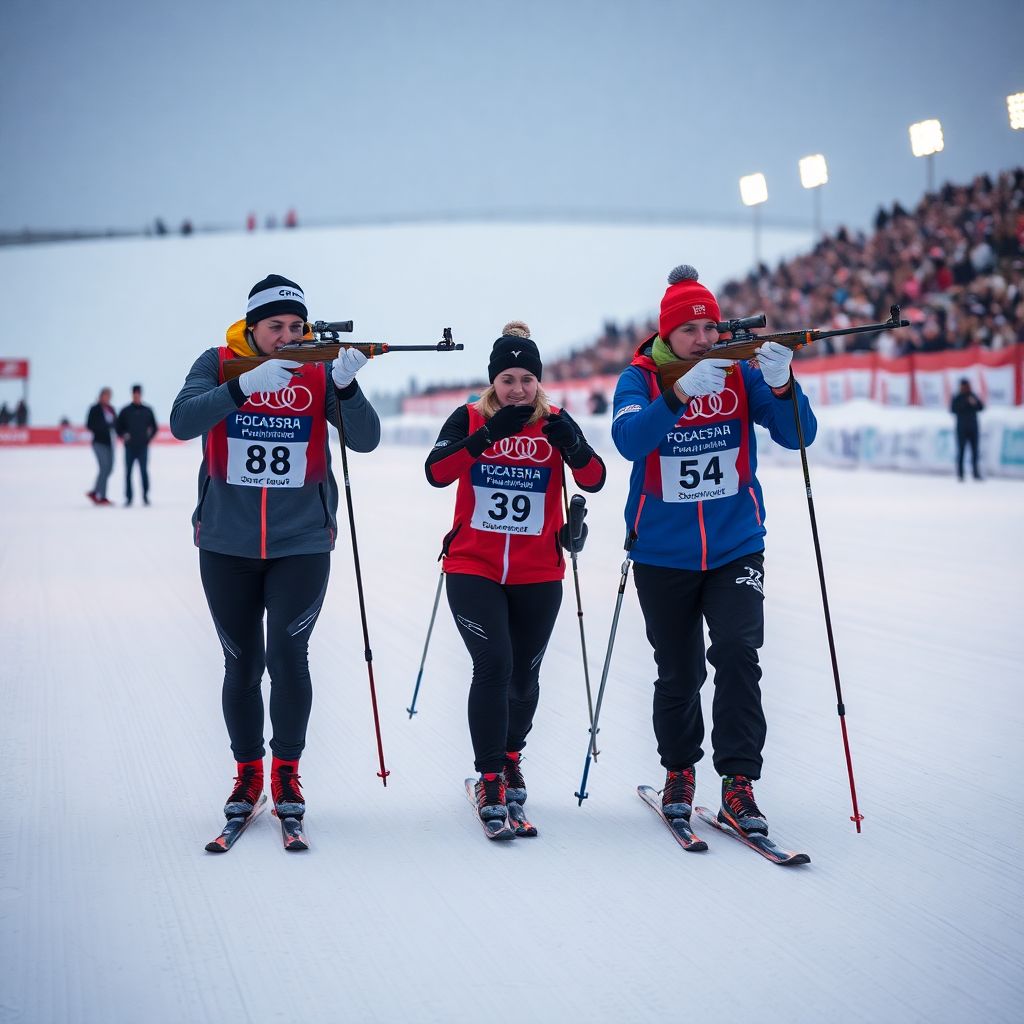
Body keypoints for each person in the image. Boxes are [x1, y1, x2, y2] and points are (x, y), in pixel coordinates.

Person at [611, 265, 817, 837]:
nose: (704, 338)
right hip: (661, 552)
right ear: (667, 336)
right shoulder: (641, 379)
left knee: (737, 654)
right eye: (690, 330)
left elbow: (799, 434)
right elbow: (630, 440)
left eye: (710, 326)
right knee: (678, 671)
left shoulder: (738, 373)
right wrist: (677, 394)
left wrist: (780, 385)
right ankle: (680, 771)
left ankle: (738, 785)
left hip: (735, 545)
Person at [170, 274, 380, 831]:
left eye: (295, 326)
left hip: (301, 545)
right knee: (242, 660)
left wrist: (347, 388)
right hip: (226, 544)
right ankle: (248, 771)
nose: (287, 336)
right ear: (252, 327)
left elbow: (366, 440)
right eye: (275, 326)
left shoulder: (317, 370)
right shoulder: (217, 364)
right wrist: (244, 387)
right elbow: (182, 421)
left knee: (288, 656)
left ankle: (286, 768)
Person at [425, 321, 606, 831]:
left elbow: (594, 479)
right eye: (508, 379)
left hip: (537, 571)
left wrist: (571, 440)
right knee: (495, 663)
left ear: (538, 382)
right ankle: (489, 777)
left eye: (527, 378)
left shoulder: (554, 421)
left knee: (525, 677)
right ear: (492, 383)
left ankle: (510, 760)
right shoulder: (468, 418)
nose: (518, 389)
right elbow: (436, 472)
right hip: (472, 565)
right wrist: (485, 438)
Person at [116, 385, 158, 505]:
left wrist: (148, 438)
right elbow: (118, 427)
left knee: (144, 472)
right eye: (135, 394)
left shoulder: (147, 410)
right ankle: (129, 498)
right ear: (132, 394)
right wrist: (124, 435)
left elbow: (154, 427)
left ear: (141, 394)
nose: (136, 396)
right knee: (128, 472)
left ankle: (145, 496)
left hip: (143, 447)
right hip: (129, 447)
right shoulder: (125, 411)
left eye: (138, 394)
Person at [85, 387, 117, 505]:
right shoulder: (94, 409)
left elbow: (116, 424)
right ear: (101, 396)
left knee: (109, 468)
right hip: (98, 442)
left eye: (109, 396)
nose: (107, 398)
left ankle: (95, 492)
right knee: (104, 467)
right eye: (105, 395)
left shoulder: (111, 409)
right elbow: (89, 424)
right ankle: (102, 496)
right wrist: (103, 426)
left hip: (109, 442)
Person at [950, 378, 984, 481]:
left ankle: (975, 473)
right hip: (961, 429)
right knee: (961, 451)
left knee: (975, 452)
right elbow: (953, 409)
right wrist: (965, 403)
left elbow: (981, 407)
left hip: (973, 428)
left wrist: (974, 403)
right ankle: (960, 474)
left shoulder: (972, 396)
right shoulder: (957, 397)